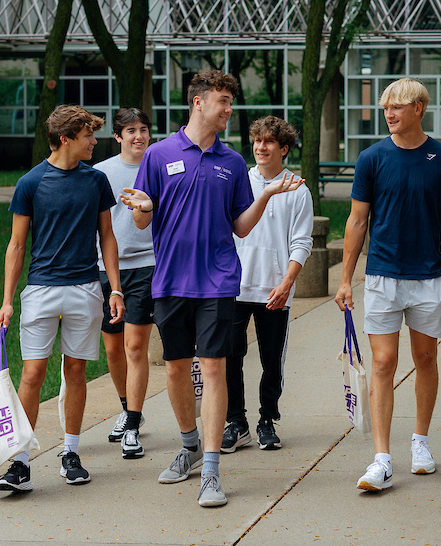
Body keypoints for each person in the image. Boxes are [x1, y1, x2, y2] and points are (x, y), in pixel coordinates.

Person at [120, 69, 304, 508]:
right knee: (178, 369)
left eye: (230, 101)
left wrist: (265, 196)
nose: (229, 110)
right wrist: (142, 209)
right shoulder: (160, 154)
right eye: (223, 101)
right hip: (169, 280)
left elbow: (240, 226)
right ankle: (188, 447)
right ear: (198, 102)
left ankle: (212, 470)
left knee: (215, 368)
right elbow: (143, 217)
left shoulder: (232, 162)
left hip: (219, 280)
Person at [334, 77, 441, 493]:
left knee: (425, 359)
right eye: (386, 108)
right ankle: (382, 459)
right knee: (383, 363)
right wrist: (345, 280)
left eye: (397, 107)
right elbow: (357, 222)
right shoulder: (372, 157)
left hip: (428, 279)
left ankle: (421, 443)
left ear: (418, 109)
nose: (388, 114)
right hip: (382, 278)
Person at [0, 105, 123, 493]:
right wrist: (7, 300)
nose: (93, 142)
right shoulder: (30, 183)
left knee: (75, 373)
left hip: (85, 288)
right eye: (87, 136)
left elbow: (108, 237)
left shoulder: (96, 180)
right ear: (66, 138)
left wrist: (114, 288)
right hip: (41, 290)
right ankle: (19, 462)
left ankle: (71, 453)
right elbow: (16, 245)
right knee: (32, 375)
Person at [222, 116, 314, 453]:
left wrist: (287, 282)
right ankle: (237, 422)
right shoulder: (238, 181)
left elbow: (301, 242)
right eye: (257, 141)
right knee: (231, 356)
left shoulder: (297, 189)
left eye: (269, 142)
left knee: (271, 360)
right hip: (233, 287)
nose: (261, 147)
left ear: (283, 148)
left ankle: (266, 419)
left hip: (274, 289)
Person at [95, 108, 156, 459]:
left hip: (147, 266)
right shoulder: (101, 173)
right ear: (117, 136)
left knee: (135, 347)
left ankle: (132, 425)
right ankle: (128, 408)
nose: (138, 136)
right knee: (114, 349)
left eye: (143, 129)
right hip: (105, 270)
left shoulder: (158, 167)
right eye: (130, 130)